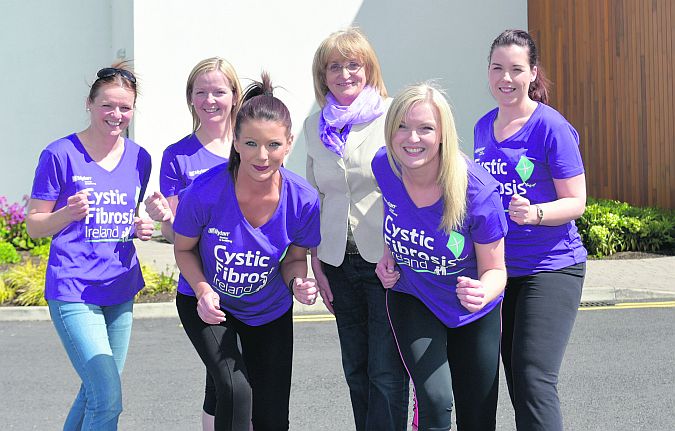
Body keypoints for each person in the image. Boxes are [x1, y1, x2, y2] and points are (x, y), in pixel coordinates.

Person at [171, 73, 321, 431]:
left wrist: (299, 282)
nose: (261, 155)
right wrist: (204, 290)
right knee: (235, 390)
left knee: (272, 418)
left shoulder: (303, 200)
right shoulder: (205, 191)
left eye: (272, 145)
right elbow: (183, 249)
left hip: (268, 310)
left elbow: (295, 259)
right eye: (251, 143)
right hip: (208, 304)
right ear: (235, 141)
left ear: (288, 144)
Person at [373, 83, 508, 431]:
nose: (411, 138)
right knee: (435, 400)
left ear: (443, 134)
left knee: (476, 415)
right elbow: (396, 215)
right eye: (401, 126)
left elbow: (496, 270)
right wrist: (389, 256)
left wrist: (483, 291)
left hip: (472, 308)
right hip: (413, 295)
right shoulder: (384, 166)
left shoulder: (478, 193)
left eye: (425, 128)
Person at [26, 65, 154, 430]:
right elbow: (35, 226)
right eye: (108, 106)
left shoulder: (140, 158)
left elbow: (123, 216)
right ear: (90, 104)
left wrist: (138, 226)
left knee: (94, 393)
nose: (116, 116)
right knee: (108, 396)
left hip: (120, 287)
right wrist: (66, 213)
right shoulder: (59, 154)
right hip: (74, 288)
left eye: (125, 108)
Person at [473, 29, 587, 431]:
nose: (506, 78)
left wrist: (536, 213)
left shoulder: (550, 127)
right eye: (497, 68)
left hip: (551, 266)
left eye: (516, 69)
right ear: (488, 72)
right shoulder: (482, 128)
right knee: (515, 382)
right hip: (500, 272)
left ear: (533, 73)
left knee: (534, 379)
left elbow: (576, 202)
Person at [303, 27, 409, 430]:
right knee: (357, 369)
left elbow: (408, 189)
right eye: (334, 66)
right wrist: (316, 261)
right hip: (336, 260)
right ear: (323, 74)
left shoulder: (393, 115)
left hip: (386, 260)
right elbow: (317, 195)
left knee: (387, 371)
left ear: (369, 69)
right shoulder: (314, 127)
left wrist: (399, 251)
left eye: (353, 64)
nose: (344, 74)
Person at [144, 56, 242, 431]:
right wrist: (165, 219)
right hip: (200, 287)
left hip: (252, 285)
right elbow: (174, 236)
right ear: (190, 98)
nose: (210, 99)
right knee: (226, 378)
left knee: (224, 381)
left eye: (219, 91)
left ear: (234, 95)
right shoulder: (178, 155)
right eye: (201, 92)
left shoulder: (250, 143)